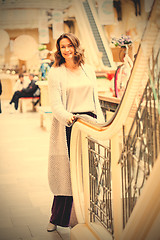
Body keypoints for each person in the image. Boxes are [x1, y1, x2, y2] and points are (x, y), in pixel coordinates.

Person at [47, 33, 105, 232]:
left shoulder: (88, 69)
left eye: (70, 45)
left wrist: (101, 123)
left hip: (90, 125)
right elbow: (55, 105)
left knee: (88, 172)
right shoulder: (55, 72)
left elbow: (95, 100)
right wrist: (70, 118)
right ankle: (56, 218)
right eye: (62, 46)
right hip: (69, 126)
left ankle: (85, 217)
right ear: (59, 50)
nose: (66, 50)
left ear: (76, 47)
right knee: (67, 175)